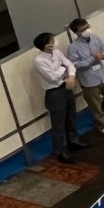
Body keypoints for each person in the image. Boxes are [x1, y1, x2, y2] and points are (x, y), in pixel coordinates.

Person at [66, 18, 104, 137]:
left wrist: (103, 56)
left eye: (87, 26)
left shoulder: (95, 38)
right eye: (83, 29)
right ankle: (103, 125)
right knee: (95, 104)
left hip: (103, 75)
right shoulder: (73, 47)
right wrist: (92, 58)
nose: (87, 30)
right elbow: (75, 65)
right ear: (76, 32)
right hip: (88, 79)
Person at [34, 32, 83, 163]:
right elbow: (52, 77)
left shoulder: (57, 53)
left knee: (71, 116)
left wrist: (71, 76)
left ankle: (73, 141)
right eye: (52, 41)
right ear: (46, 45)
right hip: (54, 92)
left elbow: (70, 64)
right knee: (58, 123)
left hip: (66, 86)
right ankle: (59, 151)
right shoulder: (39, 61)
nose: (54, 42)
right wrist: (63, 68)